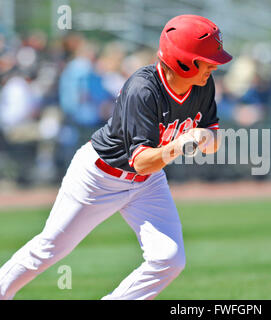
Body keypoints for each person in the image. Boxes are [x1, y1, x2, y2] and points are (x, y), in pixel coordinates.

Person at [0, 14, 232, 300]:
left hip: (147, 182)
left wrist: (206, 139)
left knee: (170, 259)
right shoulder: (143, 89)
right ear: (183, 60)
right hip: (99, 177)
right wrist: (180, 145)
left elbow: (211, 140)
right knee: (50, 249)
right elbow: (141, 160)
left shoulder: (203, 86)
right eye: (207, 60)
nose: (214, 66)